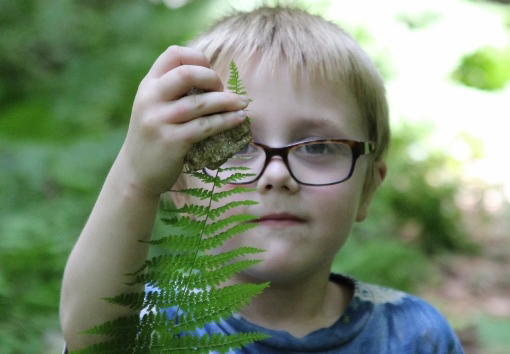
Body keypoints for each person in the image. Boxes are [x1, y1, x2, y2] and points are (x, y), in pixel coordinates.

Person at [60, 5, 464, 353]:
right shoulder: (150, 324)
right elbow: (92, 339)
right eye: (236, 147)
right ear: (181, 190)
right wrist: (135, 178)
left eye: (318, 146)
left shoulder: (415, 336)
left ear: (367, 189)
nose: (276, 175)